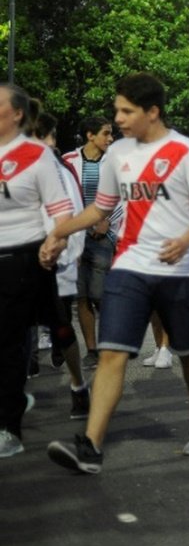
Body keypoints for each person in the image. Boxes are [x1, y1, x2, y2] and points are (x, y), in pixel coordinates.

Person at [44, 72, 189, 473]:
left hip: (181, 270)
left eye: (126, 111)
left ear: (152, 111)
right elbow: (100, 209)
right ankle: (90, 446)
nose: (118, 119)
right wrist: (59, 231)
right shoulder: (117, 154)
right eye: (116, 110)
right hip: (129, 266)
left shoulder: (184, 150)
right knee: (112, 354)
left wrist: (186, 239)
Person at [0, 86, 73, 459]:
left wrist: (53, 242)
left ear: (16, 115)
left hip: (21, 259)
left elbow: (61, 213)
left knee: (9, 343)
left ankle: (8, 427)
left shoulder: (36, 156)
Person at [28, 108, 90, 419]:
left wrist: (63, 259)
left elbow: (74, 220)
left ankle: (79, 386)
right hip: (17, 264)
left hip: (53, 267)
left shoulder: (61, 174)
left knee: (61, 330)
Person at [62, 116, 116, 369]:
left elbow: (122, 197)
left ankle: (110, 345)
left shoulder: (114, 161)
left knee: (100, 294)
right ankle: (92, 350)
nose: (110, 138)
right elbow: (63, 196)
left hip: (102, 236)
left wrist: (106, 222)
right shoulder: (68, 161)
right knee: (81, 296)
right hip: (76, 235)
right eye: (106, 133)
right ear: (90, 135)